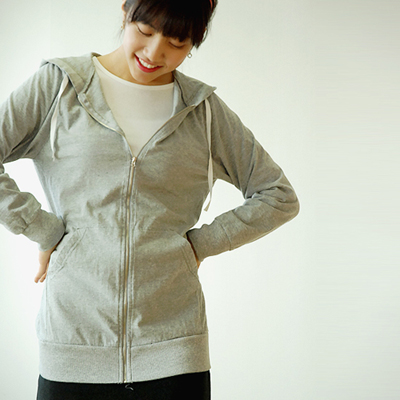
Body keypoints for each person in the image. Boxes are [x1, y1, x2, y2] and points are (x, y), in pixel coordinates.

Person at [0, 0, 300, 399]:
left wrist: (199, 244)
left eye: (177, 43)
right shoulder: (59, 87)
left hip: (175, 352)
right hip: (75, 343)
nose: (155, 53)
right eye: (145, 31)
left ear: (194, 42)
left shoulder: (203, 111)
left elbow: (278, 195)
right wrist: (44, 229)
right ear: (126, 11)